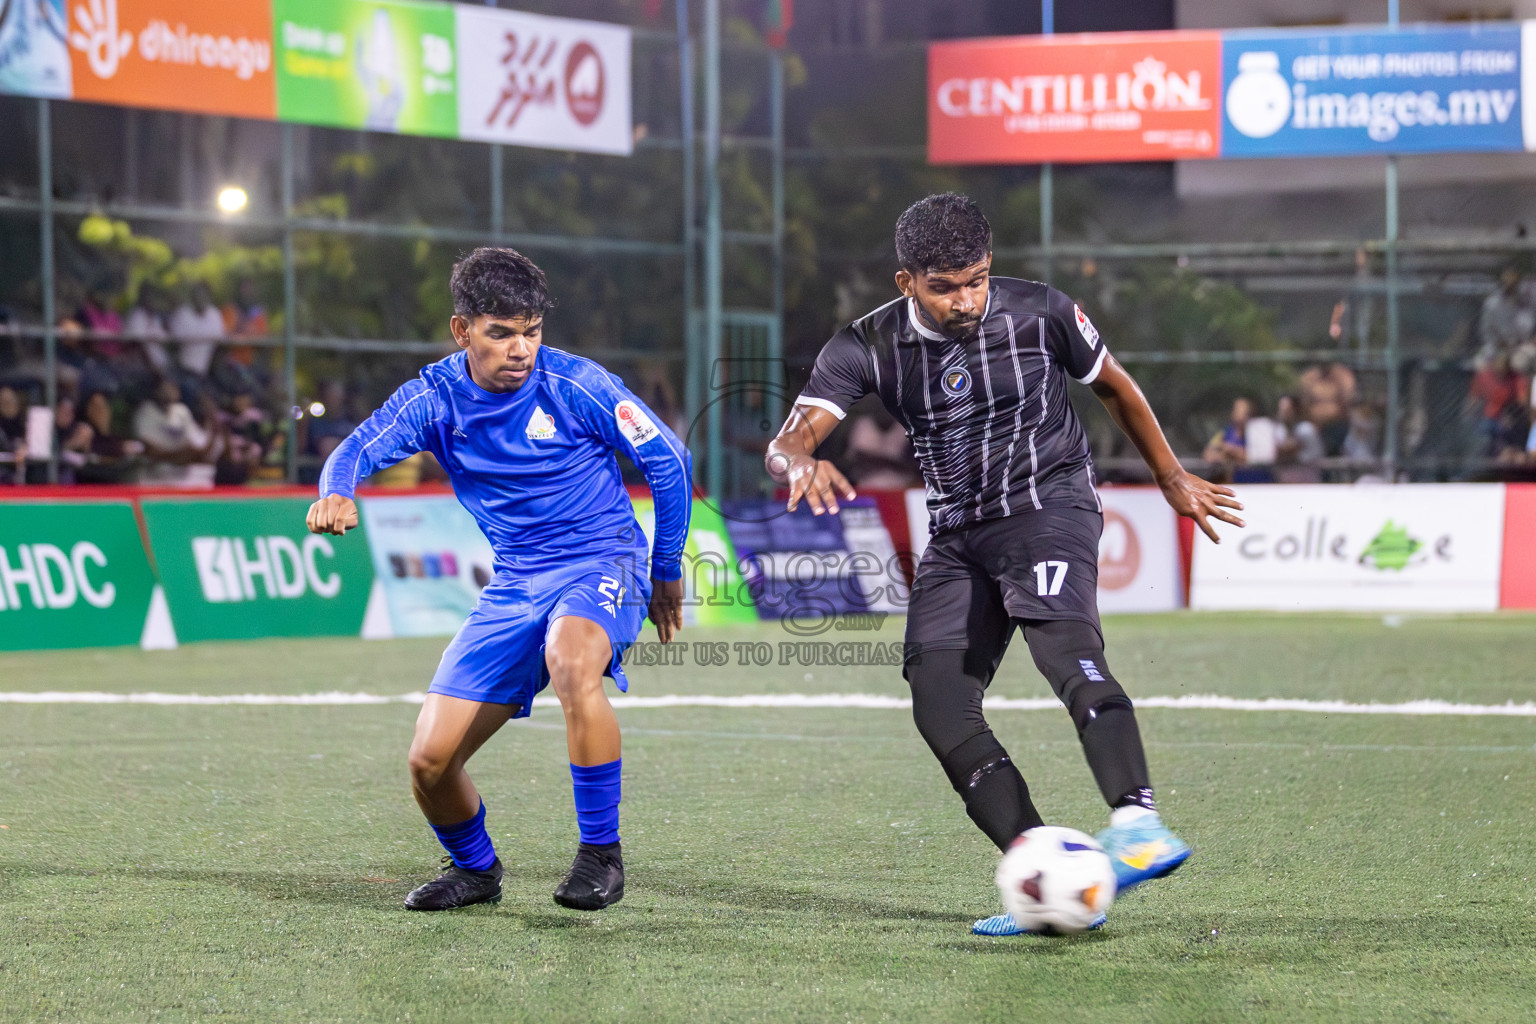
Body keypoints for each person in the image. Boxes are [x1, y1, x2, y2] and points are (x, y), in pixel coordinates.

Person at [765, 194, 1244, 936]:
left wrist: (1172, 476)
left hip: (1048, 505)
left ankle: (1137, 820)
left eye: (977, 279)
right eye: (945, 286)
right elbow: (793, 435)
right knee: (938, 701)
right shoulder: (865, 345)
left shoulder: (1043, 312)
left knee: (1066, 649)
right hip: (959, 534)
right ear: (906, 282)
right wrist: (797, 459)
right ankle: (1043, 875)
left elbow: (1116, 385)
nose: (966, 300)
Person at [306, 247, 691, 913]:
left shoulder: (578, 385)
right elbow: (359, 446)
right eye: (502, 332)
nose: (522, 349)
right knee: (429, 762)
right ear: (463, 331)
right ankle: (475, 870)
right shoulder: (434, 398)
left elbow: (671, 461)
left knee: (572, 662)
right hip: (516, 581)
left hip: (603, 559)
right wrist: (337, 489)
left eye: (532, 331)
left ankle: (602, 855)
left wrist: (663, 569)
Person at [133, 375, 212, 485]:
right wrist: (181, 454)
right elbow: (150, 450)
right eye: (169, 386)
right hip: (155, 478)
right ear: (158, 390)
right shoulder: (146, 411)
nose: (173, 390)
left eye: (175, 386)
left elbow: (201, 448)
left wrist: (212, 417)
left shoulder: (181, 411)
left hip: (183, 477)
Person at [1298, 361, 1356, 457]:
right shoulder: (1310, 376)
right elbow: (1304, 401)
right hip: (1314, 426)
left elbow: (1347, 399)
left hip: (1337, 425)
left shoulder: (1343, 375)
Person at [1274, 394, 1323, 483]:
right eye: (1281, 410)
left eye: (1287, 410)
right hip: (1285, 483)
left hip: (1306, 482)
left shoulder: (1306, 429)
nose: (1283, 414)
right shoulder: (1279, 430)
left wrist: (1289, 451)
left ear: (1296, 411)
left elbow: (1310, 455)